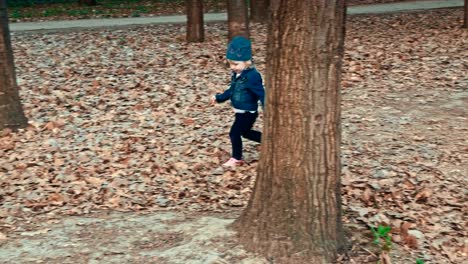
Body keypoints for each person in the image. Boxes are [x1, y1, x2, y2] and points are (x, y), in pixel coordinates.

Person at [211, 36, 265, 168]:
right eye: (230, 64)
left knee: (234, 133)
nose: (232, 67)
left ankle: (236, 157)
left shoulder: (252, 76)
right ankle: (267, 141)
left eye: (236, 64)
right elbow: (232, 90)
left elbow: (261, 93)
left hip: (248, 112)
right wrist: (219, 98)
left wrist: (267, 108)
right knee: (245, 132)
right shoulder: (237, 74)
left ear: (247, 62)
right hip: (240, 111)